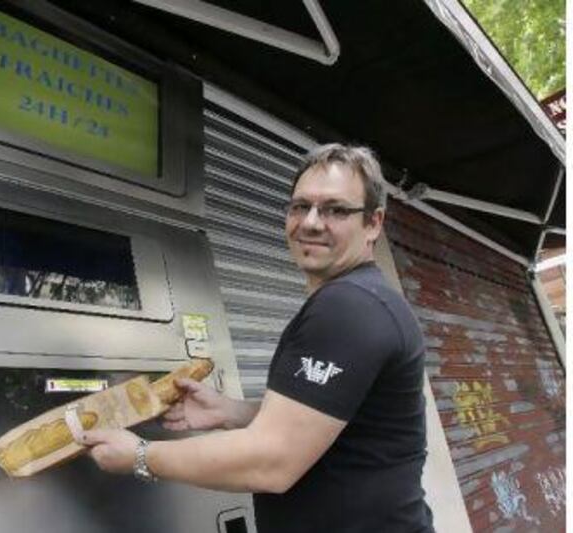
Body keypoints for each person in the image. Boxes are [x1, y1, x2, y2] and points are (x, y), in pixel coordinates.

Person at [77, 144, 434, 532]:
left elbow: (272, 462)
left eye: (335, 209)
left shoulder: (348, 308)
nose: (311, 222)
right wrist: (231, 412)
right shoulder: (368, 299)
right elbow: (335, 421)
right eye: (300, 206)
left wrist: (140, 455)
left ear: (373, 223)